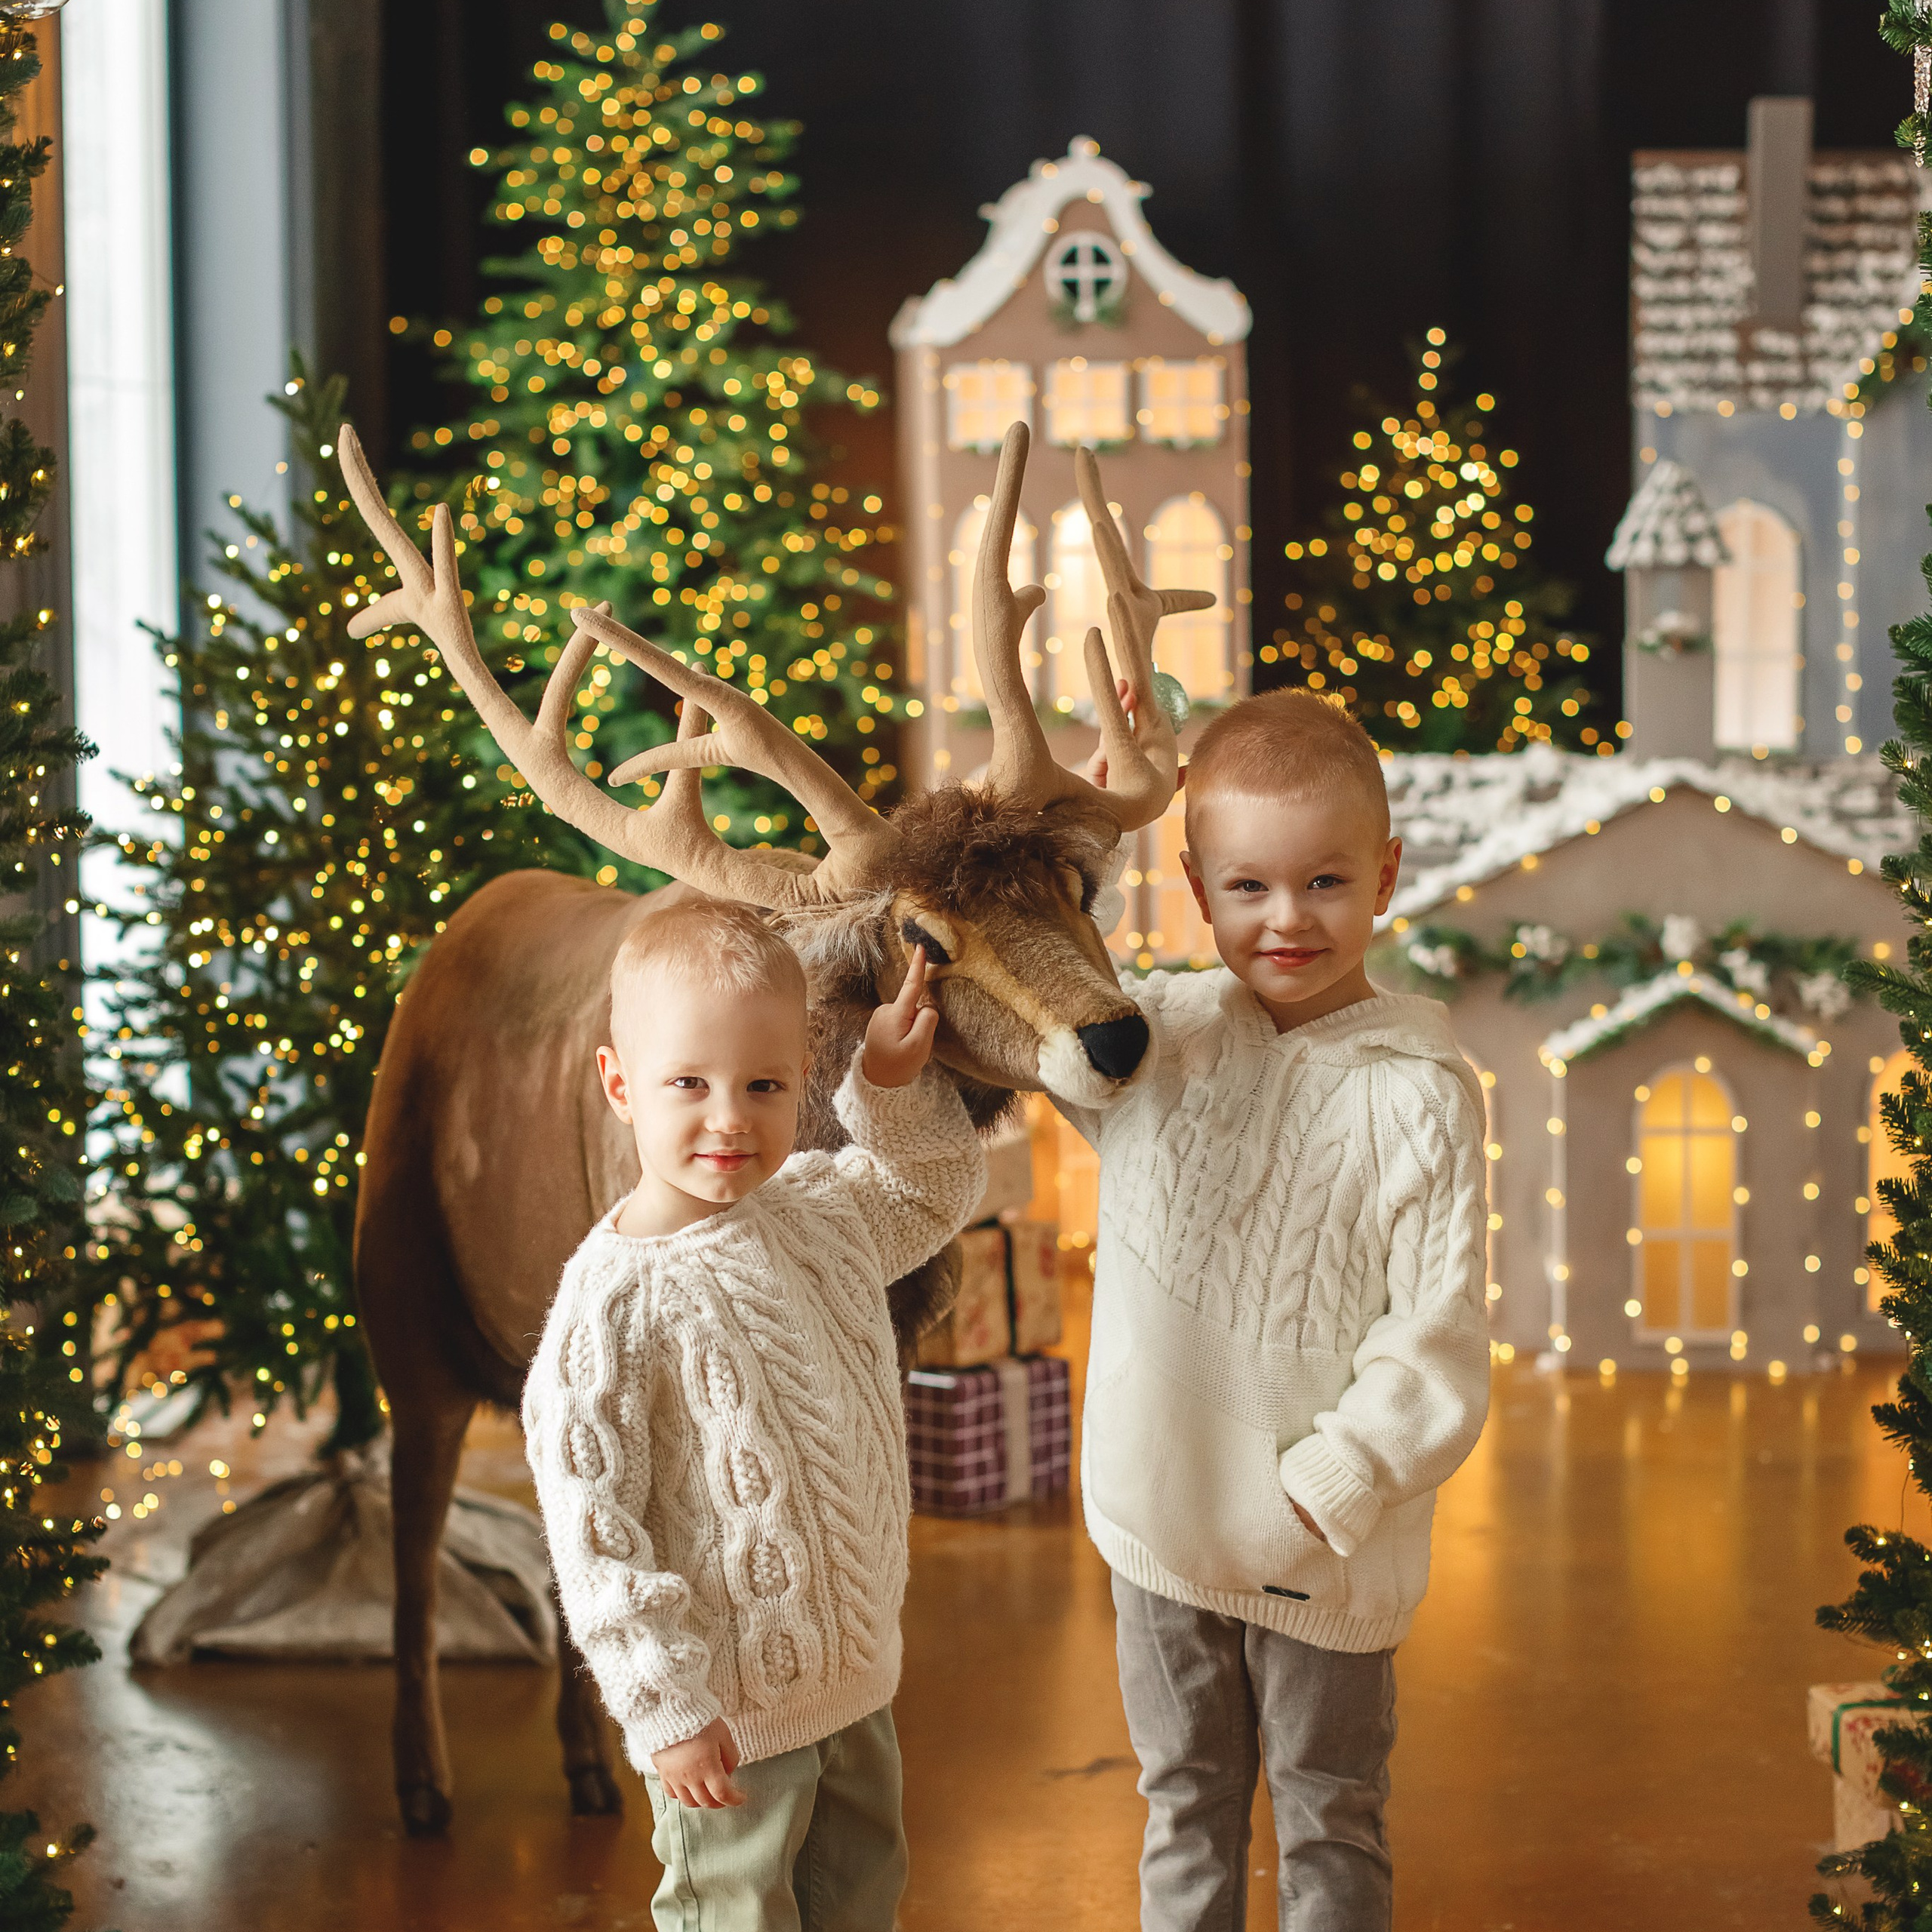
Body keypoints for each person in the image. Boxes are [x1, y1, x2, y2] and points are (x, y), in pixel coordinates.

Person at [1069, 686, 1491, 1931]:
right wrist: (1097, 830)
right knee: (1185, 1804)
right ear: (1197, 888)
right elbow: (1051, 1004)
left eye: (1324, 882)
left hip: (1321, 1549)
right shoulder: (1164, 1037)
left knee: (1330, 1815)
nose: (1287, 919)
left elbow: (1440, 1337)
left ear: (1386, 874)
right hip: (1160, 1531)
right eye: (1248, 887)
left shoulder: (1421, 1092)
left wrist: (1342, 1473)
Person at [522, 897, 984, 1932]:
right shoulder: (613, 1306)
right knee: (736, 1916)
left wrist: (891, 1088)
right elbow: (596, 1533)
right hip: (726, 1721)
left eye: (764, 1085)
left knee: (860, 1905)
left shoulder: (822, 1212)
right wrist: (665, 1709)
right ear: (620, 1085)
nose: (729, 1117)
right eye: (688, 1084)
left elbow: (928, 1190)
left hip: (856, 1685)